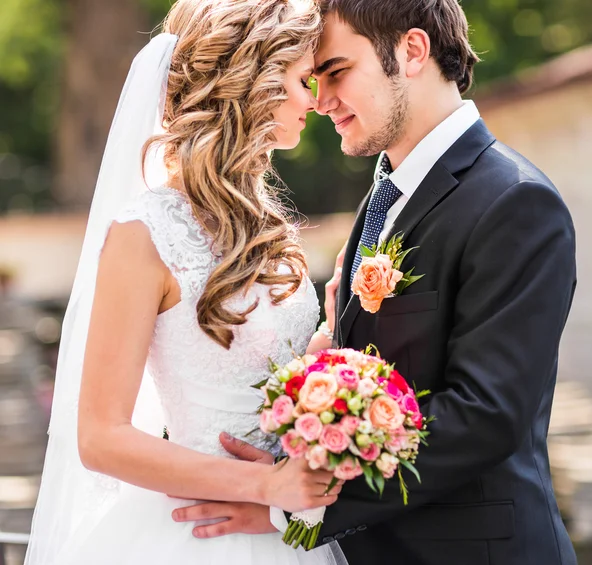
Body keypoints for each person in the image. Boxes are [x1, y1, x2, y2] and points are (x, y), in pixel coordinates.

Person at [180, 1, 579, 564]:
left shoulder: (514, 202)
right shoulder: (381, 198)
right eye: (313, 80)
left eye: (337, 71)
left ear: (412, 51)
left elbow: (485, 415)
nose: (320, 102)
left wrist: (301, 506)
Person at [24, 1, 348, 564]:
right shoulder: (144, 233)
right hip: (197, 536)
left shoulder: (275, 232)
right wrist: (265, 486)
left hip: (287, 530)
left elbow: (267, 370)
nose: (316, 102)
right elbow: (101, 437)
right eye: (303, 80)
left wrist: (332, 338)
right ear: (255, 82)